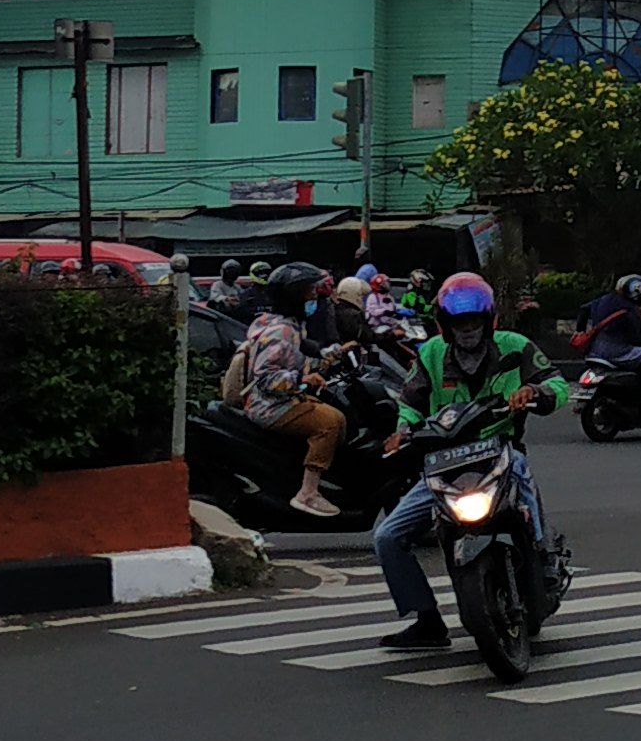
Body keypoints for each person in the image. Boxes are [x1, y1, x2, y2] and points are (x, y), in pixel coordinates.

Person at [370, 274, 571, 651]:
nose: (467, 331)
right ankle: (426, 619)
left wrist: (535, 392)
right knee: (387, 537)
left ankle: (541, 555)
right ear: (446, 326)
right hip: (444, 465)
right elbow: (411, 403)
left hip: (500, 453)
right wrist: (402, 431)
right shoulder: (429, 354)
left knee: (523, 475)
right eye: (459, 324)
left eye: (474, 323)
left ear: (488, 321)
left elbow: (558, 385)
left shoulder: (515, 346)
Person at [231, 270, 344, 519]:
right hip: (267, 405)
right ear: (294, 297)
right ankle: (308, 492)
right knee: (330, 422)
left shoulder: (290, 327)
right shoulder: (279, 332)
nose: (314, 296)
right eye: (309, 292)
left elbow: (300, 356)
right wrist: (301, 379)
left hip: (279, 399)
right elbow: (266, 378)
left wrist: (326, 356)